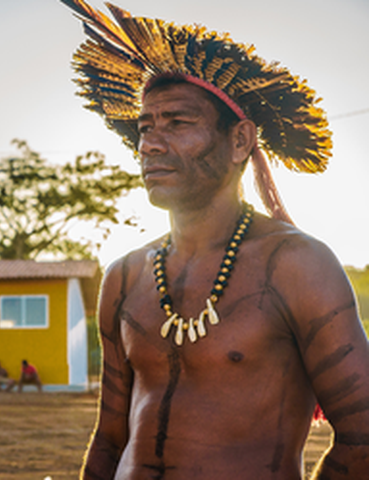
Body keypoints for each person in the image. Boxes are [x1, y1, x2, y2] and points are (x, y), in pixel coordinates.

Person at [61, 2, 369, 479]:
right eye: (145, 127)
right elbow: (109, 439)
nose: (151, 144)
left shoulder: (298, 264)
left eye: (177, 123)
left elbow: (362, 436)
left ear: (240, 141)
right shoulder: (123, 276)